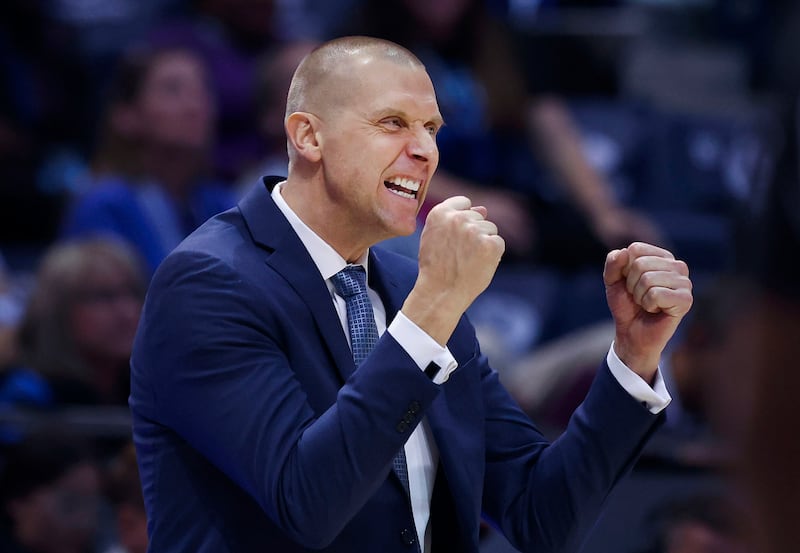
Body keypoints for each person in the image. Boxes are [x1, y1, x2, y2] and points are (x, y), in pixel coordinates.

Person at [130, 36, 693, 552]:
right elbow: (306, 502)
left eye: (432, 128)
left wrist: (634, 356)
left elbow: (541, 516)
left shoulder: (413, 291)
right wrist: (435, 307)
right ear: (308, 136)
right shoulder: (209, 283)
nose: (424, 150)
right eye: (393, 122)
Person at [60, 44, 236, 278]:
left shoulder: (220, 201)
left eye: (203, 90)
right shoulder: (103, 206)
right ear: (126, 116)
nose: (195, 105)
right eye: (172, 90)